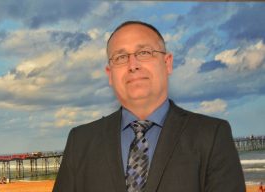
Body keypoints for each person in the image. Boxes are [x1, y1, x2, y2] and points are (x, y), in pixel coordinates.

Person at [53, 21, 245, 192]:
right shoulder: (80, 141)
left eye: (144, 53)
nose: (132, 65)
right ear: (110, 74)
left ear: (167, 63)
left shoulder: (211, 136)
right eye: (120, 57)